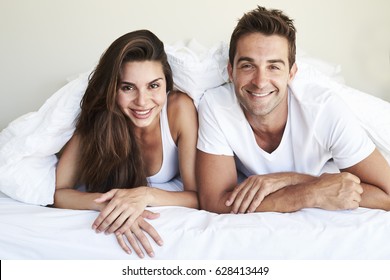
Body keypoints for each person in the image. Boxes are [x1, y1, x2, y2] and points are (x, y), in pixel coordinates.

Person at [196, 6, 390, 214]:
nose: (260, 82)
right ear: (230, 71)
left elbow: (386, 195)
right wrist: (309, 193)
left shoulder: (324, 110)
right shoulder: (216, 105)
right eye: (248, 66)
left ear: (291, 73)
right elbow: (215, 201)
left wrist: (292, 180)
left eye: (274, 67)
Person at [54, 30, 198, 258]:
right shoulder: (99, 119)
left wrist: (145, 195)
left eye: (153, 86)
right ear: (113, 89)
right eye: (127, 87)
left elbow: (197, 196)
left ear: (167, 84)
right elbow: (59, 193)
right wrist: (109, 205)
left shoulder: (179, 109)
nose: (142, 102)